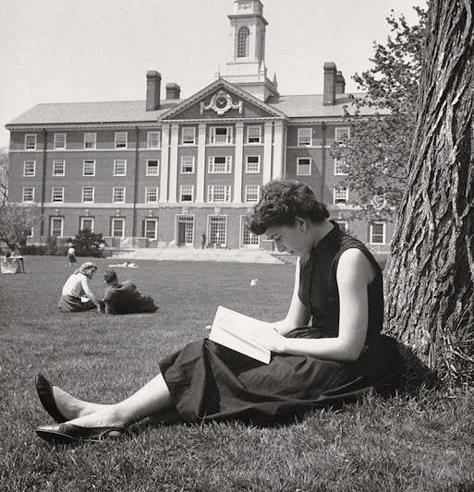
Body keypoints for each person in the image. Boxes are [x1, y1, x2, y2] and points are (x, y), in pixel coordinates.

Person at [35, 180, 401, 444]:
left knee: (243, 380)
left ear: (301, 224)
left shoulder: (349, 257)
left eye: (277, 238)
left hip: (348, 366)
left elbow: (350, 346)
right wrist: (242, 332)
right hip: (311, 347)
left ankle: (109, 416)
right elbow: (291, 323)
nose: (279, 246)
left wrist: (285, 347)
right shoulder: (306, 258)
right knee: (208, 349)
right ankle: (110, 412)